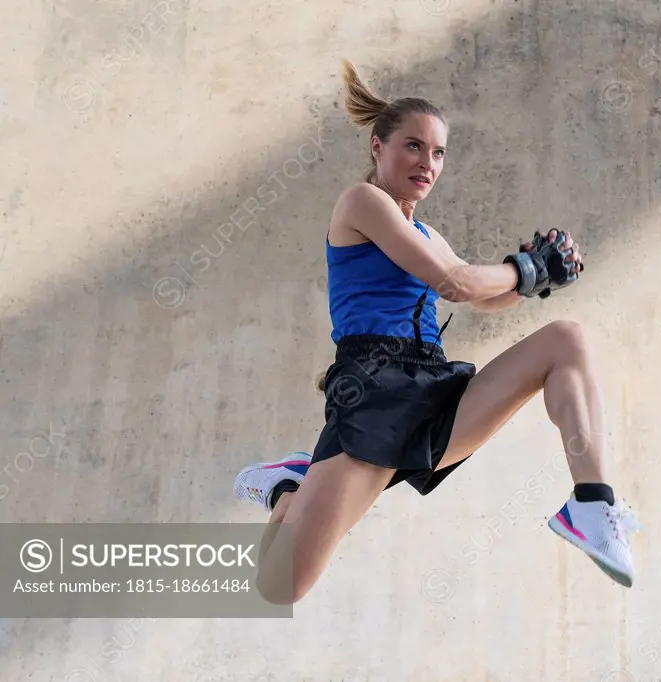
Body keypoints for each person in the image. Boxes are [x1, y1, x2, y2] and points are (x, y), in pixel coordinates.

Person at [232, 60, 639, 605]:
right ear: (378, 148)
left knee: (567, 339)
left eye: (438, 152)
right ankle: (288, 484)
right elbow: (455, 283)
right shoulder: (362, 202)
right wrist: (528, 267)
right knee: (280, 586)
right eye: (413, 146)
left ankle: (592, 502)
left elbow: (486, 296)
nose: (428, 163)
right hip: (374, 393)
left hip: (432, 388)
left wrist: (537, 278)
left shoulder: (425, 231)